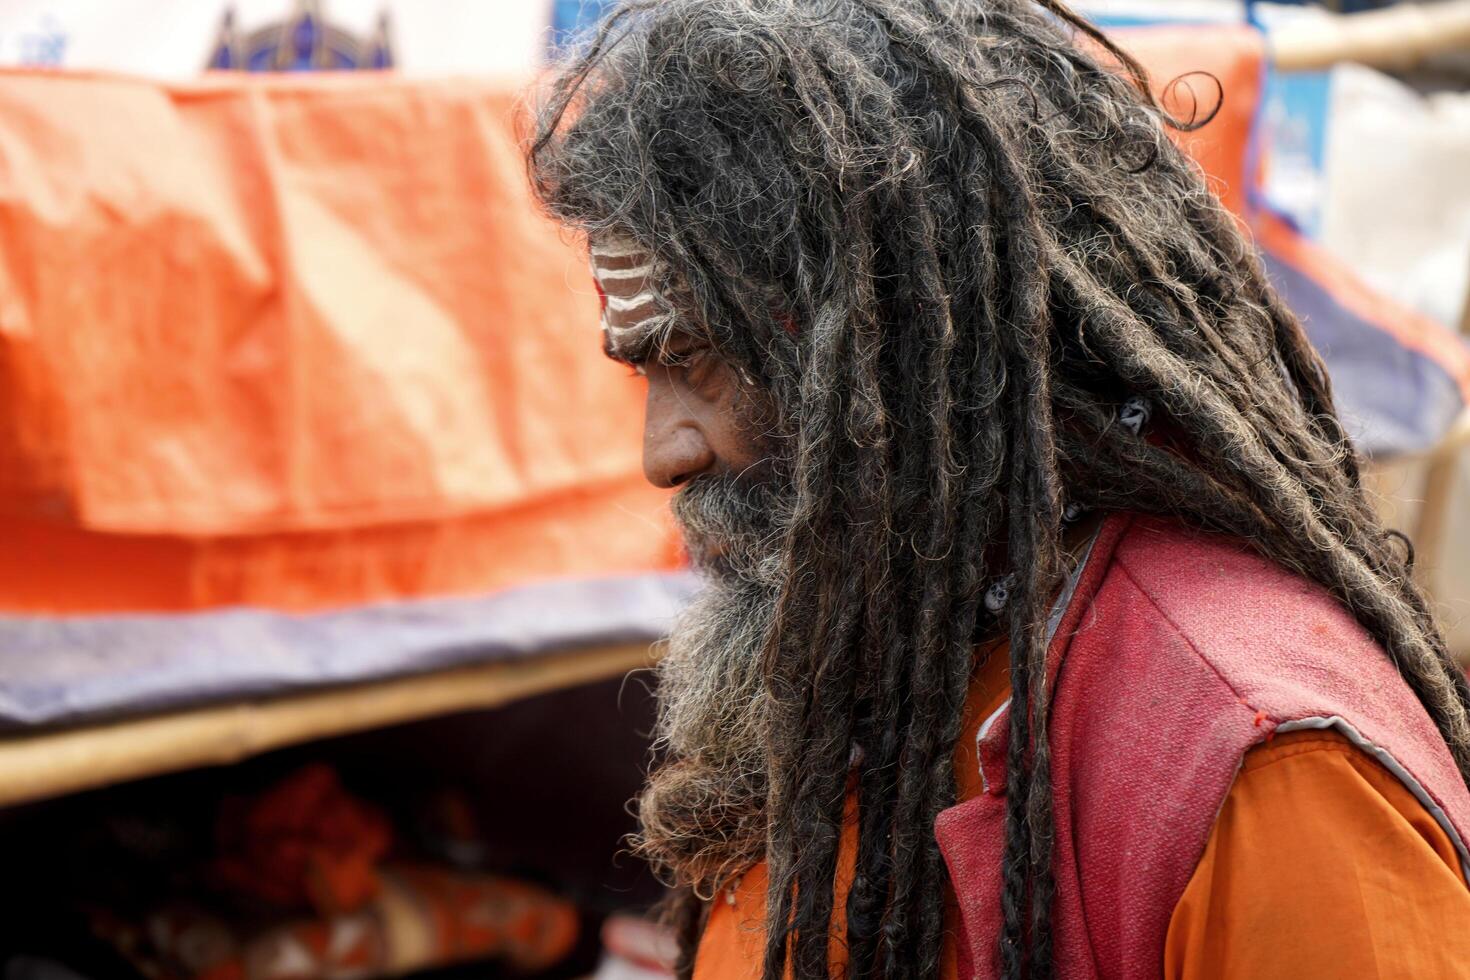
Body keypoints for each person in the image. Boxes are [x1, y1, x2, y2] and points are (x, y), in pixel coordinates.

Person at [527, 2, 1470, 977]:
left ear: (909, 339)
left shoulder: (1264, 771)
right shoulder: (885, 643)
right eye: (648, 372)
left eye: (700, 357)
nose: (663, 453)